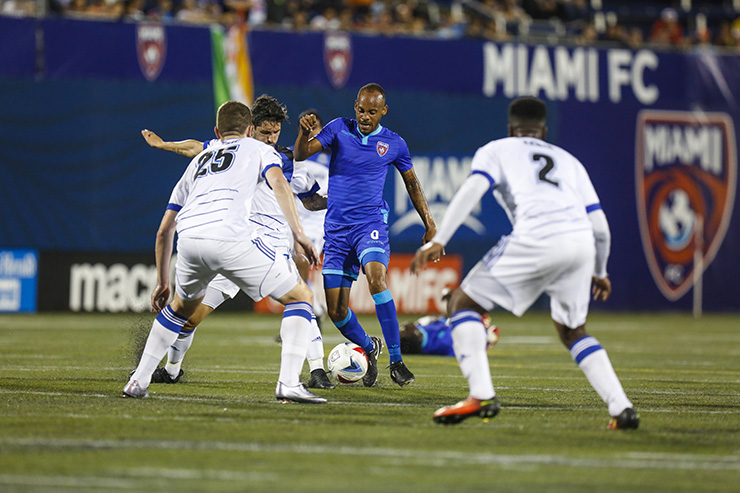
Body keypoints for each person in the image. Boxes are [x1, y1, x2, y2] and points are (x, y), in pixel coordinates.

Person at [412, 96, 639, 430]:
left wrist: (439, 239)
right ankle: (622, 408)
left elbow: (473, 188)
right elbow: (601, 227)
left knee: (462, 303)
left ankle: (481, 394)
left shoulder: (497, 148)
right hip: (581, 243)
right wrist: (600, 272)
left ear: (510, 128)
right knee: (573, 331)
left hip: (538, 237)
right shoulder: (570, 161)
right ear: (543, 131)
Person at [124, 100, 326, 403]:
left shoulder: (208, 158)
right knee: (300, 297)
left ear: (220, 131)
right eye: (264, 131)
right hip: (237, 239)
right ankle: (287, 383)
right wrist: (301, 235)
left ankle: (319, 369)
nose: (271, 137)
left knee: (180, 308)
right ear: (249, 130)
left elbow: (165, 228)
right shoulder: (258, 152)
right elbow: (279, 185)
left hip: (204, 239)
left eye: (276, 132)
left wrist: (162, 281)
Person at [294, 83, 438, 387]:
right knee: (336, 310)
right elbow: (303, 153)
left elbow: (412, 185)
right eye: (361, 109)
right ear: (355, 106)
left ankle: (397, 361)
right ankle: (371, 348)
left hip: (369, 225)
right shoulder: (337, 129)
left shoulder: (394, 143)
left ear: (383, 111)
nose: (365, 116)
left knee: (377, 279)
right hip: (335, 231)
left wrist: (429, 224)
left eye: (372, 111)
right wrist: (303, 133)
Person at [399, 289, 499, 357]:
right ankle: (486, 337)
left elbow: (444, 319)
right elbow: (453, 321)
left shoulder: (424, 328)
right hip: (468, 337)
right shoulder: (444, 341)